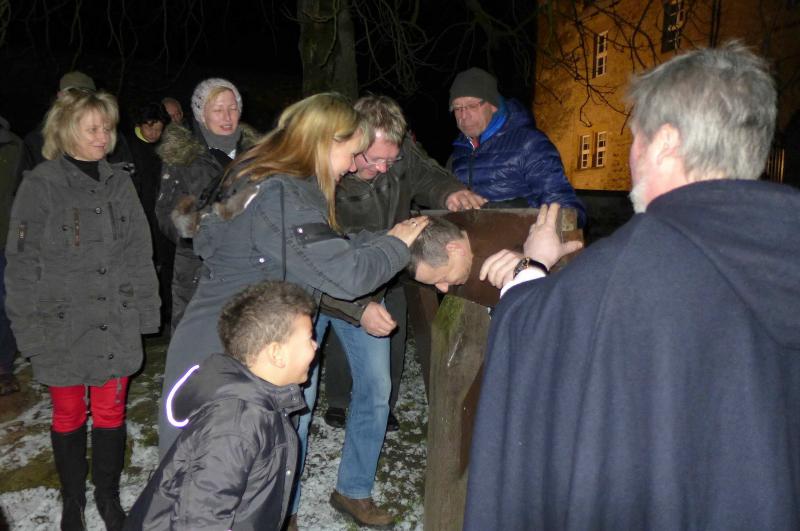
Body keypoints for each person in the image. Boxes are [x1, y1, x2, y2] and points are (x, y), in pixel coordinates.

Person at [465, 42, 800, 530]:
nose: (631, 154)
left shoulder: (629, 271)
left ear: (665, 143)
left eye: (636, 136)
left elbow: (538, 342)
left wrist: (529, 270)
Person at [153, 92, 428, 530]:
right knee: (208, 494)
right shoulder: (282, 194)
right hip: (224, 361)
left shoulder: (273, 181)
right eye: (351, 153)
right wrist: (396, 246)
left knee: (246, 485)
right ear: (325, 141)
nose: (352, 166)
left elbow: (322, 248)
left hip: (241, 347)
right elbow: (348, 275)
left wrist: (386, 240)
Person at [5, 89, 160, 531]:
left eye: (106, 128)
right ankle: (72, 501)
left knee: (111, 413)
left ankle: (107, 496)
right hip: (61, 327)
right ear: (66, 131)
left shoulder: (120, 182)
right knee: (69, 414)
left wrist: (146, 314)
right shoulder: (40, 185)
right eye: (91, 128)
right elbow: (21, 265)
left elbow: (139, 252)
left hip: (115, 322)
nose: (102, 136)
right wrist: (28, 333)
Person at [320, 94, 484, 428]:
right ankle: (338, 398)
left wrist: (449, 192)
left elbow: (428, 176)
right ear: (353, 143)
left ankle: (385, 406)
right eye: (374, 159)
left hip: (392, 265)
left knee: (390, 334)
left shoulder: (402, 155)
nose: (383, 168)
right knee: (339, 333)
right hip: (341, 267)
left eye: (390, 160)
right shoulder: (329, 171)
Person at [124, 281, 316, 531]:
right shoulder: (235, 426)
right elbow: (199, 521)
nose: (315, 346)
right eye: (309, 338)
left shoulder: (265, 401)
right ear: (276, 354)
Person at [155, 78, 259, 333]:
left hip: (251, 269)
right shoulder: (183, 156)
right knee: (199, 344)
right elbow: (167, 215)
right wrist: (204, 233)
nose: (227, 116)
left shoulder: (257, 155)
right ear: (201, 114)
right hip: (199, 270)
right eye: (218, 109)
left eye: (233, 108)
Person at [448, 67, 586, 226]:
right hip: (470, 240)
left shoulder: (529, 144)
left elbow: (565, 209)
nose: (463, 115)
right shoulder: (458, 154)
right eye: (457, 108)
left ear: (493, 105)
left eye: (472, 105)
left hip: (521, 239)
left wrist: (553, 231)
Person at [20, 71, 133, 178]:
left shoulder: (111, 137)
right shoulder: (36, 140)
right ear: (60, 96)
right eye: (73, 94)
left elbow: (128, 177)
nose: (78, 101)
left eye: (85, 95)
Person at [128, 102, 174, 332]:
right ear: (140, 125)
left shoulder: (166, 147)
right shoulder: (128, 147)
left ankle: (168, 314)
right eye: (149, 127)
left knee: (168, 266)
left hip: (163, 218)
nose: (154, 133)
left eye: (158, 128)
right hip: (140, 218)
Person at [0, 115, 23, 395]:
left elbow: (24, 196)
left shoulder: (13, 146)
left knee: (5, 302)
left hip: (6, 240)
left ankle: (3, 365)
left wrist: (21, 240)